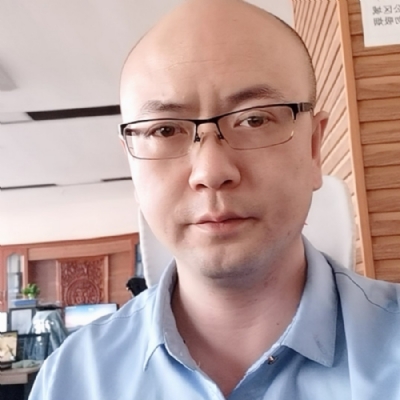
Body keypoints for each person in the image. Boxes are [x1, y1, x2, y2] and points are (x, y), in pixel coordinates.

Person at [29, 0, 400, 399]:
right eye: (165, 130)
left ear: (313, 148)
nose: (210, 171)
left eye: (254, 119)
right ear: (133, 167)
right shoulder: (70, 381)